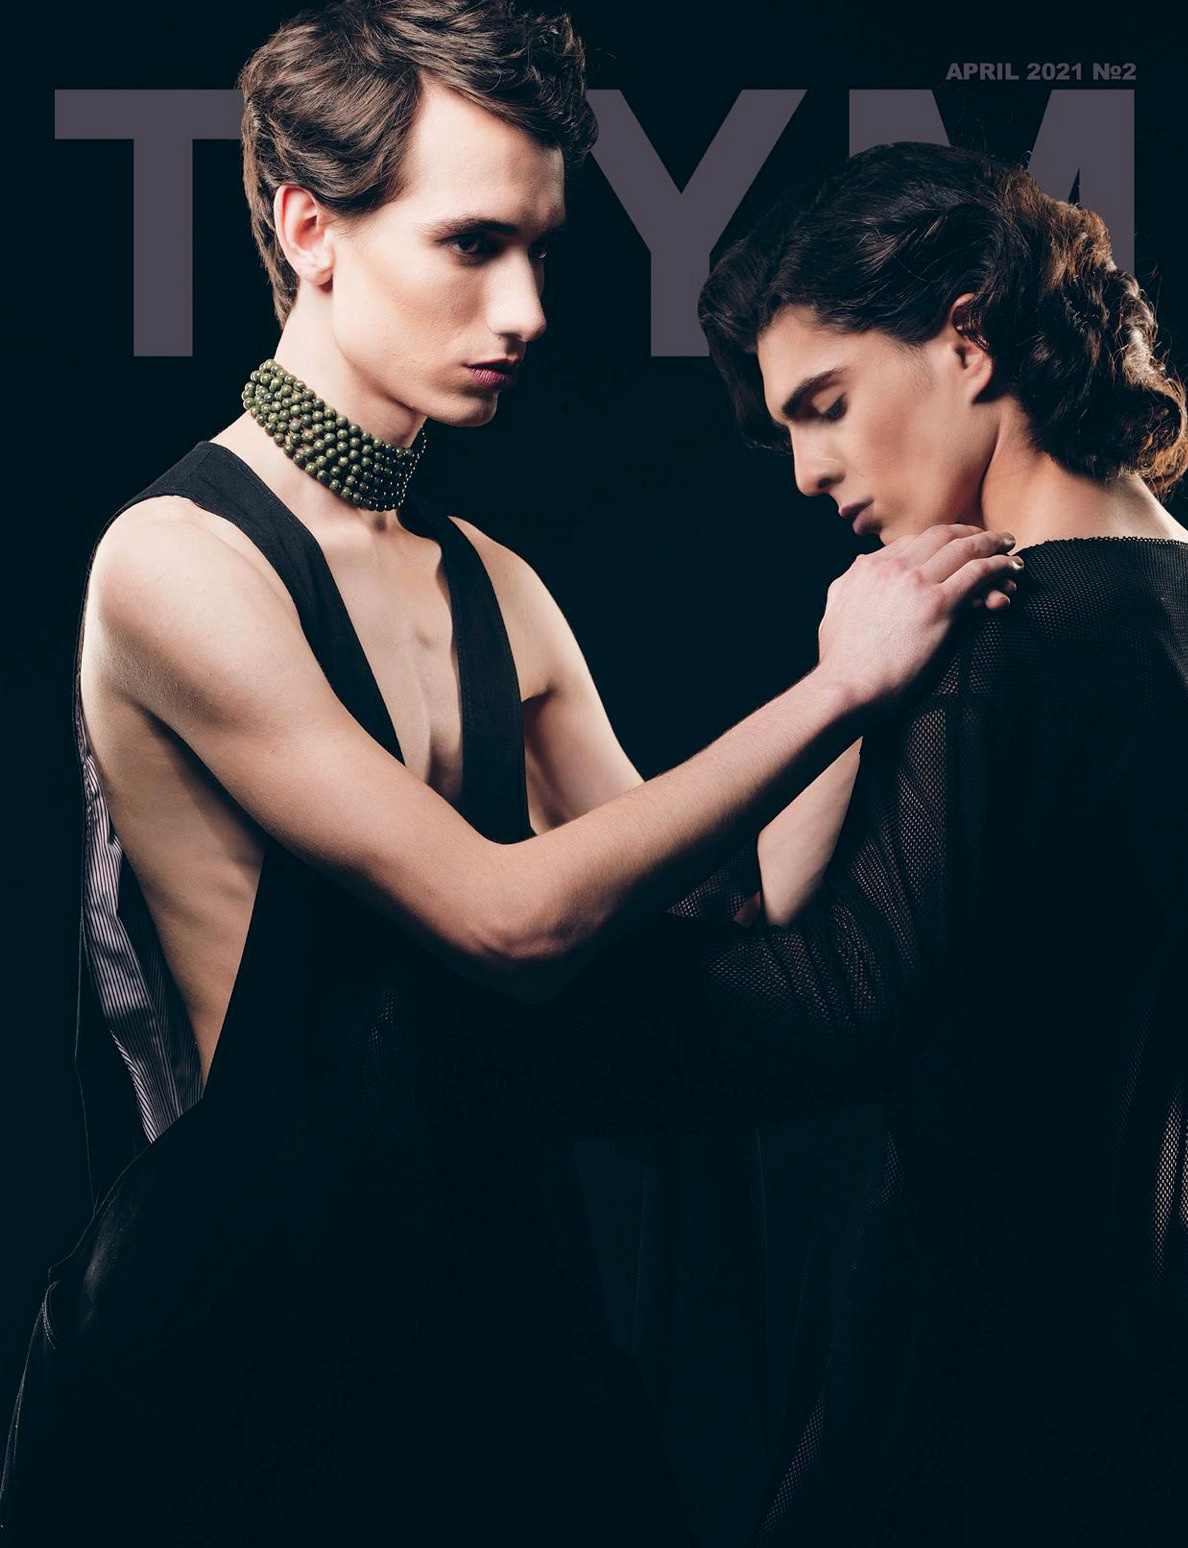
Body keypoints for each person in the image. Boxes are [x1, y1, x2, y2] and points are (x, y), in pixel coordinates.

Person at [0, 7, 1019, 1545]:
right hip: (234, 1367)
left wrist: (891, 638)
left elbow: (735, 894)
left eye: (540, 250)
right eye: (473, 245)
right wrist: (836, 688)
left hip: (494, 1332)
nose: (528, 308)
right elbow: (508, 920)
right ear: (310, 230)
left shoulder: (496, 583)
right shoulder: (176, 564)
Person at [621, 140, 1188, 1547]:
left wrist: (514, 989)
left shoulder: (1013, 645)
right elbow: (794, 890)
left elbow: (834, 1001)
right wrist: (858, 678)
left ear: (967, 337)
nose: (808, 470)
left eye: (825, 405)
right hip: (1130, 1351)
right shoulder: (1152, 601)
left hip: (982, 1366)